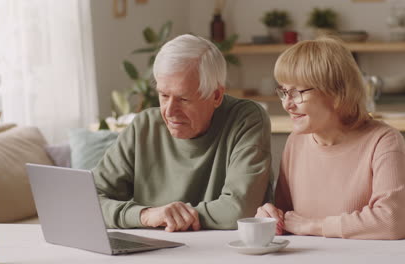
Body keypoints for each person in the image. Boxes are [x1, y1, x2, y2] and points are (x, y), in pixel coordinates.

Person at [93, 34, 272, 232]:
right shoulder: (143, 126)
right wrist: (146, 215)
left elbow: (239, 210)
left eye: (183, 99)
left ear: (216, 96)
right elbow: (88, 201)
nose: (169, 112)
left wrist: (170, 218)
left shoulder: (246, 119)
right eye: (163, 95)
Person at [255, 37, 405, 240]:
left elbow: (393, 221)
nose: (287, 104)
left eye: (297, 92)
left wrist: (314, 226)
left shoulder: (383, 140)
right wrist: (270, 216)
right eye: (283, 91)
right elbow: (289, 221)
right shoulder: (296, 141)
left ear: (336, 94)